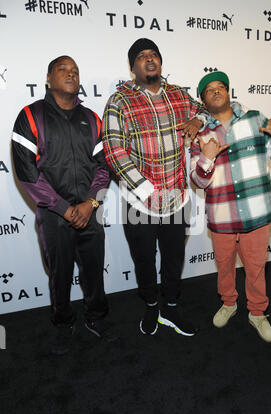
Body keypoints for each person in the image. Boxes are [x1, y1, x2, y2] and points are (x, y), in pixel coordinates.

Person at [102, 38, 207, 336]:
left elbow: (207, 110)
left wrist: (198, 119)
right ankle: (151, 306)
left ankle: (171, 308)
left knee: (174, 259)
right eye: (142, 56)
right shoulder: (119, 100)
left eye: (154, 55)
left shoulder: (179, 94)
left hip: (177, 197)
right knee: (144, 260)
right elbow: (113, 150)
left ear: (160, 62)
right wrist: (146, 190)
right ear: (132, 65)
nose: (149, 59)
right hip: (139, 201)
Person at [12, 55, 115, 355]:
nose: (70, 74)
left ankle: (96, 318)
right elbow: (27, 172)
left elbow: (104, 167)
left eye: (75, 70)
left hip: (89, 210)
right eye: (62, 70)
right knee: (59, 275)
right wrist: (64, 208)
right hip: (54, 216)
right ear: (48, 78)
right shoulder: (30, 116)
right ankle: (63, 322)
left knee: (94, 270)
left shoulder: (93, 119)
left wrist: (90, 204)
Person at [190, 71, 271, 343]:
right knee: (224, 267)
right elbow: (197, 180)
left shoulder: (256, 119)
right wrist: (207, 159)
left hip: (256, 215)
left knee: (256, 268)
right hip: (221, 217)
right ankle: (229, 303)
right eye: (209, 89)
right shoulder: (198, 134)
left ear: (228, 91)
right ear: (202, 99)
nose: (215, 91)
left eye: (220, 87)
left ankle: (257, 313)